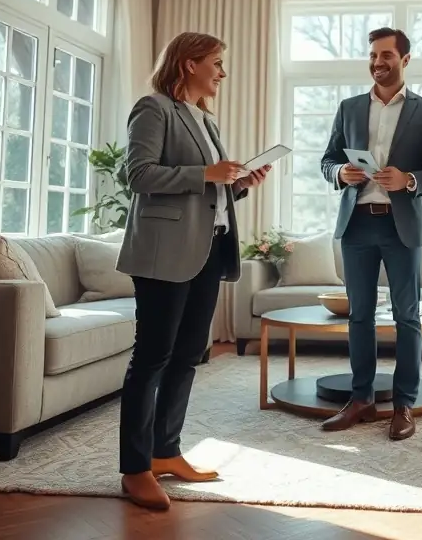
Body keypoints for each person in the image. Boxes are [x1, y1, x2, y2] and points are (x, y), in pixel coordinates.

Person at [115, 31, 271, 509]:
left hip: (209, 248)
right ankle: (135, 468)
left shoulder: (204, 118)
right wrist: (206, 174)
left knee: (188, 356)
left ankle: (166, 451)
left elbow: (208, 192)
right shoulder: (153, 107)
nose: (222, 73)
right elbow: (136, 175)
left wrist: (239, 183)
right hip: (163, 252)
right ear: (189, 64)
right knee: (152, 357)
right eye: (217, 63)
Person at [319, 27, 422, 441]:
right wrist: (340, 172)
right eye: (373, 55)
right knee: (360, 316)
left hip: (401, 224)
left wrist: (408, 179)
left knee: (407, 317)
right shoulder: (349, 107)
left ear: (404, 60)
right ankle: (361, 399)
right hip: (357, 223)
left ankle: (404, 404)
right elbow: (327, 160)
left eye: (386, 55)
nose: (377, 62)